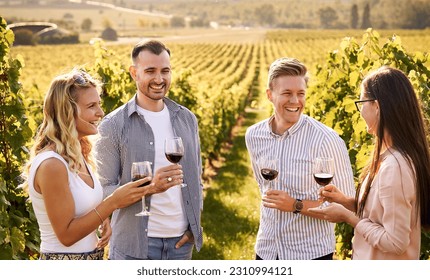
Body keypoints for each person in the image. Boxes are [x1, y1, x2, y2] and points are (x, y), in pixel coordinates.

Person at [23, 69, 155, 260]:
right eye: (91, 106)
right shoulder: (52, 165)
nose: (100, 112)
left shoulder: (80, 155)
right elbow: (66, 236)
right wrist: (113, 202)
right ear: (67, 111)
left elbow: (81, 210)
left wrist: (102, 219)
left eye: (99, 104)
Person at [94, 40, 203, 260]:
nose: (159, 79)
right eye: (150, 71)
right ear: (134, 73)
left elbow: (195, 178)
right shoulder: (112, 125)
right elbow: (104, 191)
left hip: (181, 244)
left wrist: (194, 229)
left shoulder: (187, 119)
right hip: (134, 245)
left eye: (165, 71)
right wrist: (149, 188)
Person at [310, 66, 430, 259]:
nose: (360, 111)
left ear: (377, 106)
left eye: (362, 102)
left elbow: (395, 242)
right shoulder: (391, 157)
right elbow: (381, 214)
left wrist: (348, 217)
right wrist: (348, 202)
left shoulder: (395, 168)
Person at [245, 57, 355, 260]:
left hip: (310, 254)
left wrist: (295, 205)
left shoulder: (326, 139)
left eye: (300, 94)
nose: (295, 101)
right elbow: (264, 189)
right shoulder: (253, 135)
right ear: (269, 95)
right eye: (287, 93)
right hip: (267, 250)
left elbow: (346, 207)